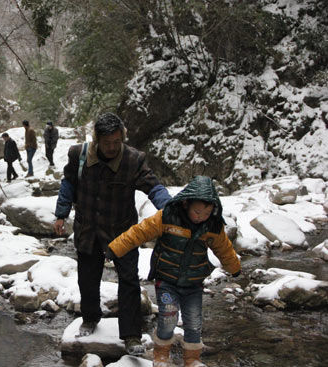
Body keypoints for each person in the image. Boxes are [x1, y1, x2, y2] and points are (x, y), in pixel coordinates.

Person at [53, 112, 171, 355]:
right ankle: (90, 318)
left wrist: (170, 209)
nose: (112, 147)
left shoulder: (133, 160)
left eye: (117, 142)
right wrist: (61, 213)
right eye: (107, 143)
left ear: (123, 139)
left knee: (128, 281)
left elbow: (154, 186)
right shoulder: (79, 155)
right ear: (96, 140)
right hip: (88, 229)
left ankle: (131, 335)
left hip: (123, 231)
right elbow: (68, 183)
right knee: (87, 278)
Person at [107, 175, 241, 366]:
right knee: (169, 316)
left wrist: (234, 268)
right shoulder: (167, 217)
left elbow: (224, 249)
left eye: (206, 213)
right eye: (197, 212)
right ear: (186, 203)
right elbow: (139, 232)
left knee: (194, 322)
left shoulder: (212, 226)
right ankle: (161, 355)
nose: (201, 217)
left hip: (193, 284)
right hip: (167, 281)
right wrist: (115, 248)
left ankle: (192, 359)